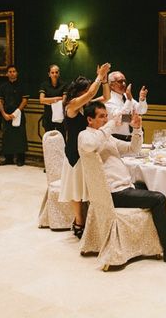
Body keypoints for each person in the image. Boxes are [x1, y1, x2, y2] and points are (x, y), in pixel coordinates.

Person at [78, 101, 166, 266]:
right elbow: (90, 145)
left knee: (150, 186)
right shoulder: (85, 136)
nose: (105, 120)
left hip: (124, 188)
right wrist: (112, 124)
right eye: (101, 117)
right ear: (89, 120)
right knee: (159, 198)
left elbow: (133, 150)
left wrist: (136, 129)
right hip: (113, 193)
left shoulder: (106, 137)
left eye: (106, 116)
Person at [59, 63, 110, 239]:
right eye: (87, 90)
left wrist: (103, 80)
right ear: (80, 91)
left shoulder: (87, 104)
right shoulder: (71, 106)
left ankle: (88, 219)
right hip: (74, 153)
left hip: (87, 151)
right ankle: (79, 221)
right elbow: (91, 94)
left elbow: (106, 96)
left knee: (87, 187)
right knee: (76, 188)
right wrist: (98, 77)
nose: (90, 93)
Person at [0, 65, 28, 166]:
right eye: (10, 71)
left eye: (14, 71)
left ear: (17, 73)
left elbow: (25, 100)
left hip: (19, 113)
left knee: (20, 136)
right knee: (7, 136)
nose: (12, 73)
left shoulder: (22, 85)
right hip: (6, 114)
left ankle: (20, 159)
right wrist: (4, 114)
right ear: (7, 74)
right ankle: (8, 158)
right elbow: (0, 101)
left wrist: (17, 111)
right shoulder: (3, 86)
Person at [105, 70, 148, 141]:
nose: (124, 84)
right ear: (111, 85)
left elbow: (142, 111)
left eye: (124, 81)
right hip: (117, 139)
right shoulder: (108, 100)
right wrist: (129, 101)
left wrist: (142, 99)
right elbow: (119, 119)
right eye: (120, 81)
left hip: (131, 137)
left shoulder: (126, 96)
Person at [39, 64, 67, 135]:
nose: (55, 74)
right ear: (49, 74)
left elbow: (64, 101)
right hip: (48, 116)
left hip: (60, 116)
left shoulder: (64, 85)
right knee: (49, 139)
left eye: (56, 72)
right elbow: (41, 100)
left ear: (59, 73)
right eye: (52, 72)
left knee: (61, 138)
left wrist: (48, 101)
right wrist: (57, 98)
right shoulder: (44, 85)